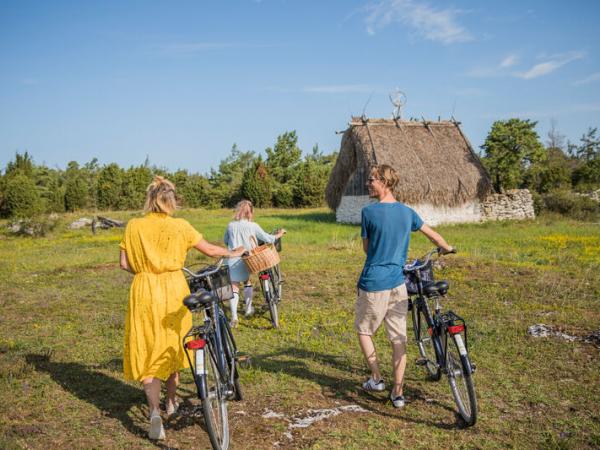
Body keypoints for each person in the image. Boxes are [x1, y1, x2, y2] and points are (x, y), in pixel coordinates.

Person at [119, 176, 244, 440]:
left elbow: (124, 263)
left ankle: (154, 412)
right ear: (170, 201)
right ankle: (172, 402)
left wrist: (146, 271)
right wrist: (232, 253)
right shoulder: (181, 226)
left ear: (150, 199)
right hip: (174, 288)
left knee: (148, 349)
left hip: (144, 290)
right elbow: (210, 250)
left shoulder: (133, 226)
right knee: (173, 346)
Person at [356, 164, 454, 408]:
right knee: (398, 339)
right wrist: (446, 247)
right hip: (399, 285)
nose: (368, 183)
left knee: (364, 330)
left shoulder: (369, 213)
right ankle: (397, 394)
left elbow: (367, 249)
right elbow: (431, 234)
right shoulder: (407, 212)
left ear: (385, 182)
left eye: (372, 180)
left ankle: (377, 378)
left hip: (373, 283)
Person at [224, 199, 285, 327]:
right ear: (250, 212)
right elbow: (268, 239)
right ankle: (248, 309)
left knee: (234, 286)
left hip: (233, 259)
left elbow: (226, 240)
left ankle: (234, 317)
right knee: (247, 281)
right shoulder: (253, 226)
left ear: (238, 211)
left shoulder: (230, 225)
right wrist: (279, 234)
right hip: (248, 259)